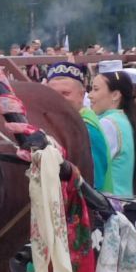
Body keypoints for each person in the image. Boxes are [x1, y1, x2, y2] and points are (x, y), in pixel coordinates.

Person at [43, 60, 111, 188]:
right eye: (53, 94)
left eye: (66, 93)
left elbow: (93, 183)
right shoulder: (67, 123)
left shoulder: (87, 129)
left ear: (81, 95)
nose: (59, 99)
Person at [88, 66, 136, 197]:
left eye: (95, 89)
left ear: (115, 95)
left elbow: (94, 168)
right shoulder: (125, 120)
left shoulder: (108, 124)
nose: (90, 95)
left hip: (111, 204)